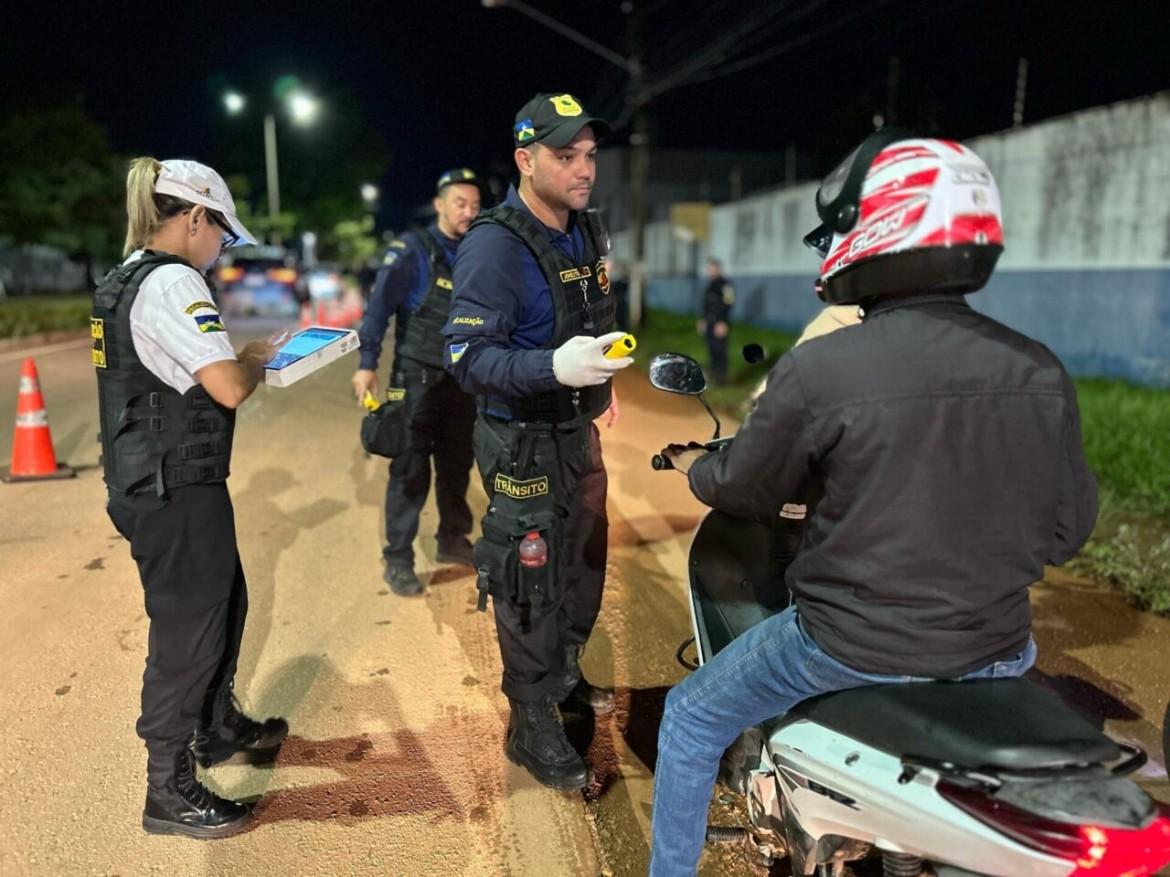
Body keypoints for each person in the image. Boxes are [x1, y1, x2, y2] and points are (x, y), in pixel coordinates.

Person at [650, 132, 1099, 874]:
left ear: (880, 226)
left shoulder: (824, 366)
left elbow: (747, 488)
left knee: (691, 716)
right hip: (997, 649)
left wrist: (700, 470)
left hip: (850, 645)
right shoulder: (1038, 369)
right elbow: (1066, 531)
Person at [93, 157, 289, 838]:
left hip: (154, 481)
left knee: (224, 601)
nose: (220, 251)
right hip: (173, 488)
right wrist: (258, 359)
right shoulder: (174, 281)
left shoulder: (123, 278)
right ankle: (168, 789)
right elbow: (228, 386)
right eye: (222, 236)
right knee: (187, 633)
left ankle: (218, 727)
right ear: (196, 218)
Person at [442, 93, 634, 790]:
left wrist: (598, 387)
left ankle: (561, 674)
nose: (584, 170)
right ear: (526, 161)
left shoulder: (582, 230)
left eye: (589, 155)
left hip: (576, 432)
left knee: (582, 564)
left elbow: (588, 312)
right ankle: (530, 722)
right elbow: (466, 359)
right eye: (566, 156)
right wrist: (555, 367)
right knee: (531, 582)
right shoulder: (495, 245)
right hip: (521, 442)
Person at [352, 169, 484, 595]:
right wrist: (367, 362)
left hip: (461, 380)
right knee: (409, 471)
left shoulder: (477, 253)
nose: (468, 211)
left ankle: (452, 539)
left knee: (456, 464)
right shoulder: (413, 250)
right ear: (440, 204)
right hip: (414, 377)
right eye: (460, 203)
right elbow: (378, 308)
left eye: (475, 205)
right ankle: (398, 558)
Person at [697, 257, 734, 384]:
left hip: (720, 324)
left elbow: (728, 304)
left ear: (718, 269)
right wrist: (703, 320)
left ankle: (722, 380)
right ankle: (713, 377)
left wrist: (723, 323)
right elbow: (706, 306)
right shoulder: (709, 287)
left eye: (713, 269)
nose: (711, 272)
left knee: (720, 351)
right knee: (711, 350)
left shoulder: (726, 285)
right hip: (710, 324)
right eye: (709, 269)